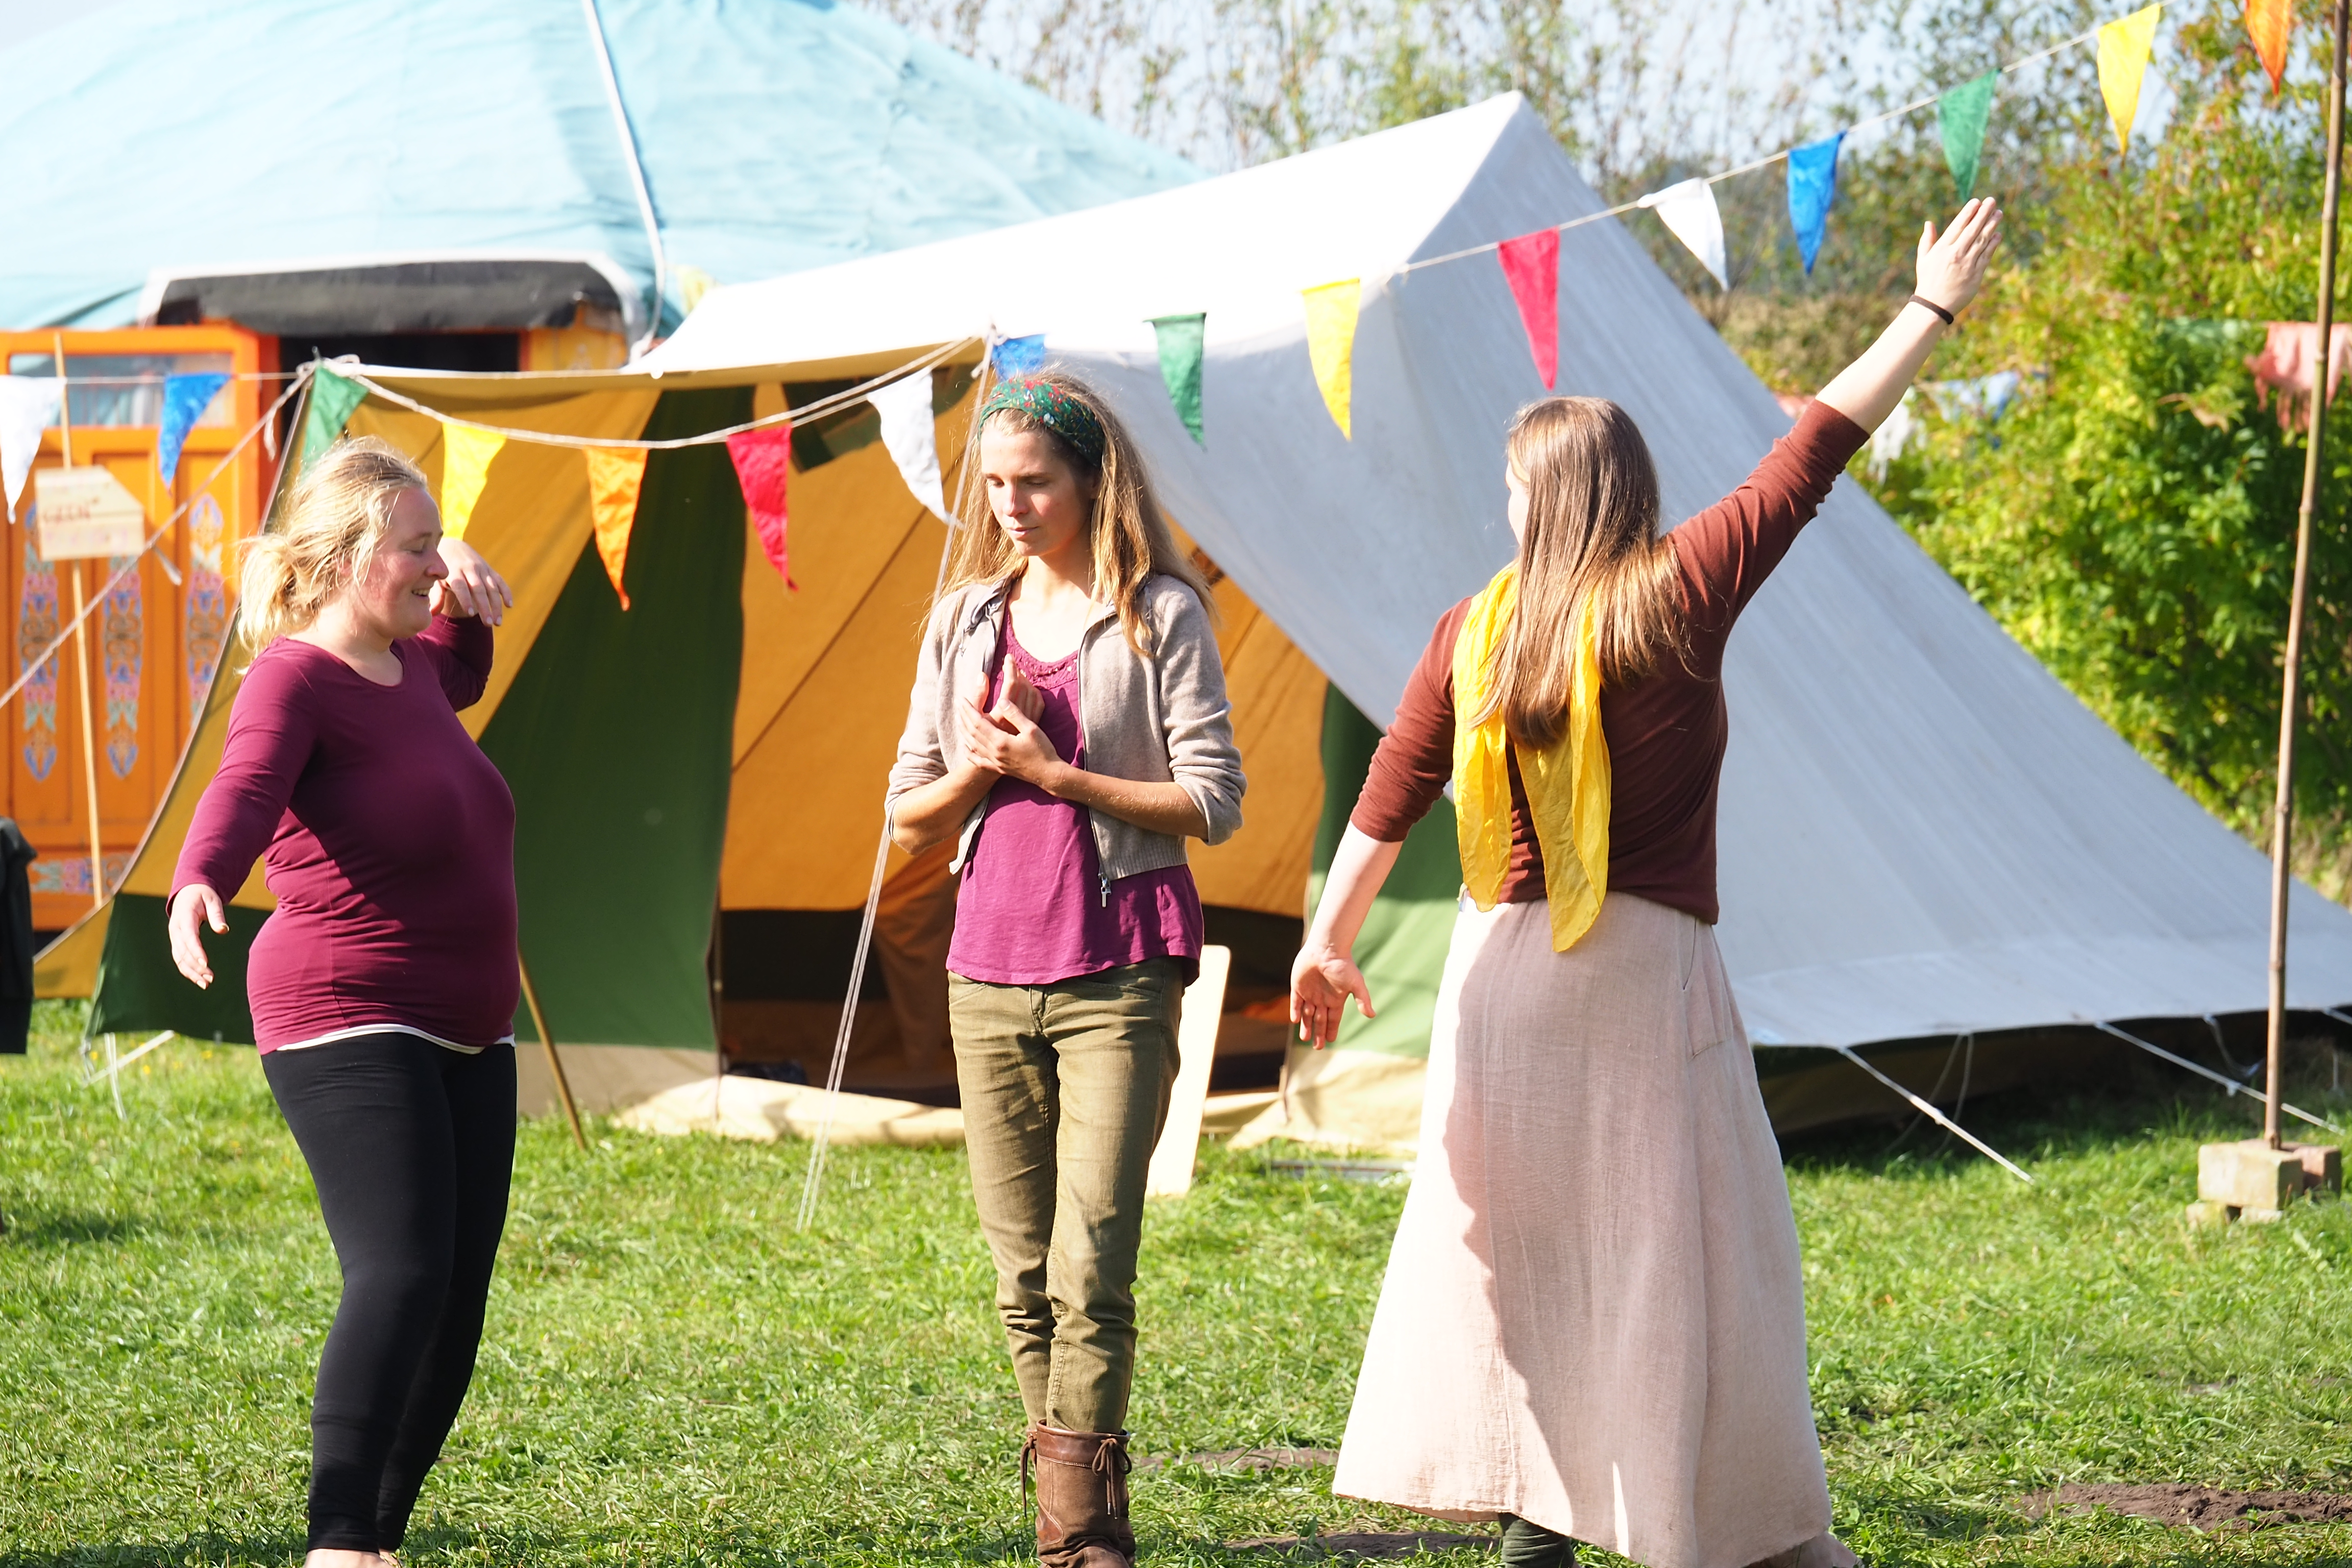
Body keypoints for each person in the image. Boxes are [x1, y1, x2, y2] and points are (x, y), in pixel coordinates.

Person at [1291, 200, 2006, 1568]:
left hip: (1495, 990)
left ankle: (1537, 1529)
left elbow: (1386, 805)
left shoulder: (1469, 631)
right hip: (1636, 984)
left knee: (1528, 1263)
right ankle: (1732, 1530)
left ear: (1538, 499)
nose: (1502, 509)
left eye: (1512, 491)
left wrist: (1325, 947)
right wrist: (1929, 311)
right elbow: (1813, 451)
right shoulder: (1678, 589)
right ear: (1623, 493)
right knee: (1693, 1269)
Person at [885, 369, 1244, 1568]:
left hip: (1119, 968)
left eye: (1033, 482)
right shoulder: (964, 619)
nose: (1010, 504)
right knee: (1022, 1274)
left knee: (1094, 1261)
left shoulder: (1159, 614)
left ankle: (1073, 1539)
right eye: (994, 484)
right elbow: (908, 817)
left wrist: (1061, 778)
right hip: (985, 968)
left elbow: (1213, 801)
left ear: (1093, 480)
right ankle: (1085, 1520)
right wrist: (986, 772)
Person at [166, 436, 518, 1568]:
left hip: (470, 1022)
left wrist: (461, 598)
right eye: (414, 548)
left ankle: (379, 1541)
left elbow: (459, 677)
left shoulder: (410, 665)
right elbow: (246, 784)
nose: (430, 564)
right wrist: (198, 882)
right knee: (401, 1271)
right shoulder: (294, 675)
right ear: (349, 555)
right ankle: (337, 1539)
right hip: (348, 1008)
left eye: (433, 545)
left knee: (455, 1302)